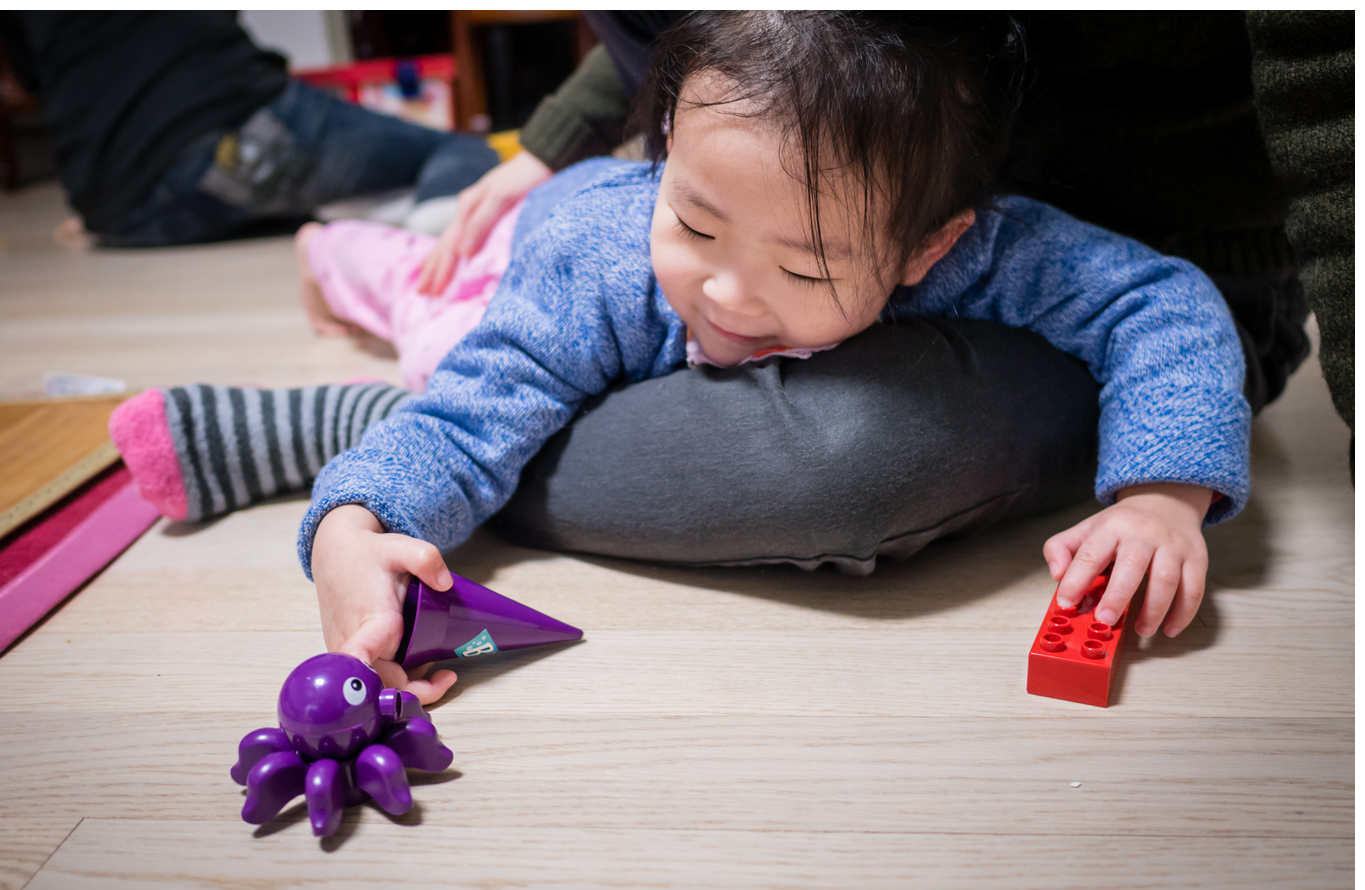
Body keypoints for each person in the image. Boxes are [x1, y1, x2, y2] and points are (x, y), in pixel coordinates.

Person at [111, 12, 1250, 704]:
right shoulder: (601, 258)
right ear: (663, 147)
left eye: (803, 269)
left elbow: (1157, 300)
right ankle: (338, 256)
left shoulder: (983, 248)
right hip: (526, 258)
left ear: (926, 250)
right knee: (432, 317)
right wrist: (353, 524)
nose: (727, 293)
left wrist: (1160, 494)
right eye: (695, 223)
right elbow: (468, 415)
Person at [0, 11, 499, 247]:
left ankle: (374, 221)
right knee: (461, 151)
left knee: (313, 204)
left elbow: (32, 76)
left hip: (114, 210)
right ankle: (423, 250)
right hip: (232, 122)